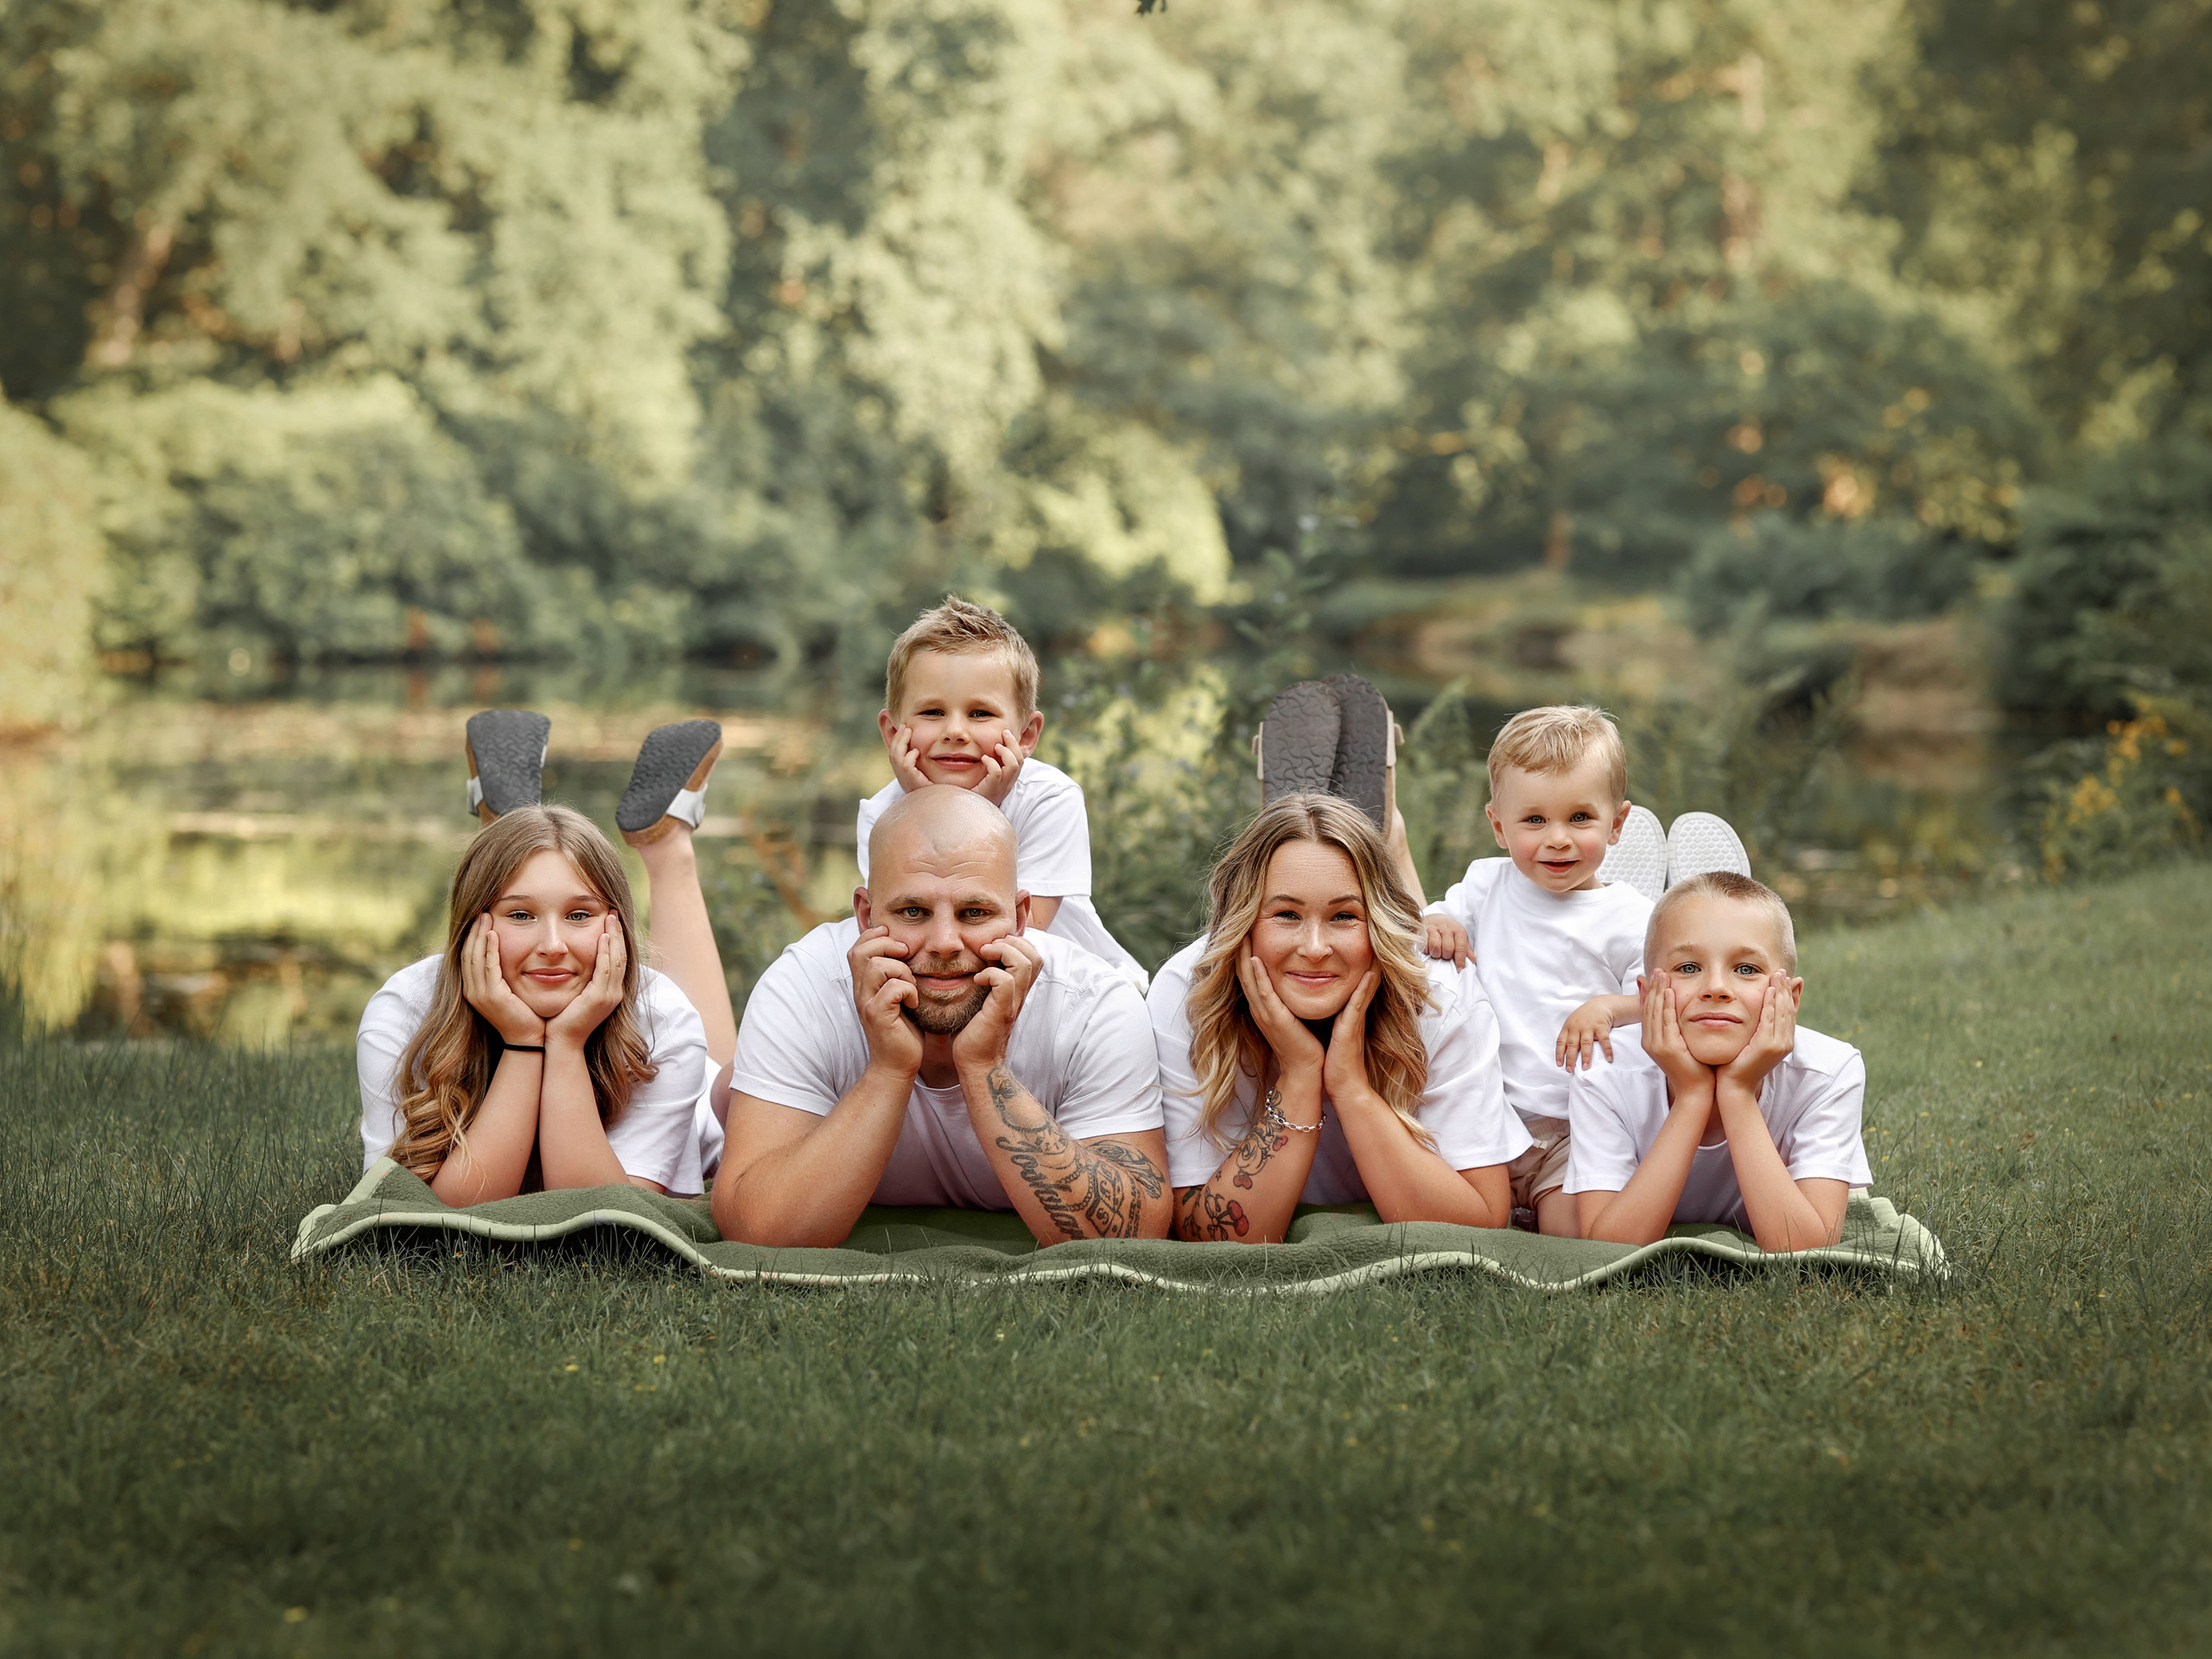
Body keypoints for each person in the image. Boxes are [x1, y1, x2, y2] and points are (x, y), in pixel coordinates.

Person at [711, 785, 1170, 1249]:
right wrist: (888, 1070)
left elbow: (1135, 1233)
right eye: (913, 911)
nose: (945, 942)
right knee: (721, 1089)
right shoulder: (804, 984)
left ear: (1020, 916)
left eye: (974, 913)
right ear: (866, 917)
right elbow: (757, 1232)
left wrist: (984, 1067)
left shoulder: (1092, 1003)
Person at [1151, 794, 1529, 1243]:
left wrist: (1350, 1087)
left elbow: (1482, 1224)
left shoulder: (1440, 997)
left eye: (1344, 916)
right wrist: (1300, 1074)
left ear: (1380, 924)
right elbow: (1205, 1236)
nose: (1314, 948)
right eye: (1286, 915)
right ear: (1244, 921)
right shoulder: (1189, 994)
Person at [355, 803, 709, 1204]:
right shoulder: (403, 1010)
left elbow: (610, 1219)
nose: (553, 946)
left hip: (710, 1103)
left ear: (617, 926)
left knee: (727, 1090)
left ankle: (669, 838)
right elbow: (439, 1213)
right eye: (521, 915)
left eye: (579, 914)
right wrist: (523, 1039)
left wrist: (566, 1042)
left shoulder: (665, 1020)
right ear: (474, 924)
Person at [1566, 871, 1872, 1251]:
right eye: (1688, 968)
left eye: (1746, 969)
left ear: (1790, 999)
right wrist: (1693, 1095)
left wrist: (1738, 1093)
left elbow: (1806, 1247)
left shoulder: (1827, 1072)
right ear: (1645, 997)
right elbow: (1610, 1245)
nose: (1716, 988)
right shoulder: (1605, 1071)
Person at [855, 596, 1147, 988]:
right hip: (944, 985)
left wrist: (975, 810)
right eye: (932, 712)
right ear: (893, 732)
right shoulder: (880, 816)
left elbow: (1015, 935)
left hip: (1065, 989)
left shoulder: (1049, 799)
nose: (955, 731)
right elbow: (893, 932)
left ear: (1026, 735)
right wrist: (921, 810)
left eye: (980, 714)